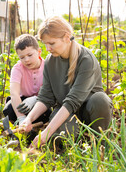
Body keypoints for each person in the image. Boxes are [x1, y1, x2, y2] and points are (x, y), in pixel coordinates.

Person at [20, 16, 113, 147]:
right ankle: (78, 138)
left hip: (89, 110)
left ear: (66, 37)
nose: (47, 48)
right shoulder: (50, 61)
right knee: (60, 140)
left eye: (51, 43)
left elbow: (72, 101)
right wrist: (28, 119)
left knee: (100, 99)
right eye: (45, 44)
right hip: (67, 112)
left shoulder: (86, 59)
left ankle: (101, 141)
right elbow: (45, 97)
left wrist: (46, 132)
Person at [3, 34, 51, 126]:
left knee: (47, 112)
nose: (26, 60)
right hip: (22, 101)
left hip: (40, 100)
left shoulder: (47, 66)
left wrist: (35, 99)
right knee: (9, 109)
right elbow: (14, 93)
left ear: (39, 52)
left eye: (29, 55)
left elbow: (50, 92)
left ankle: (35, 124)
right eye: (22, 57)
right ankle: (21, 123)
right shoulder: (17, 69)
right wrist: (21, 118)